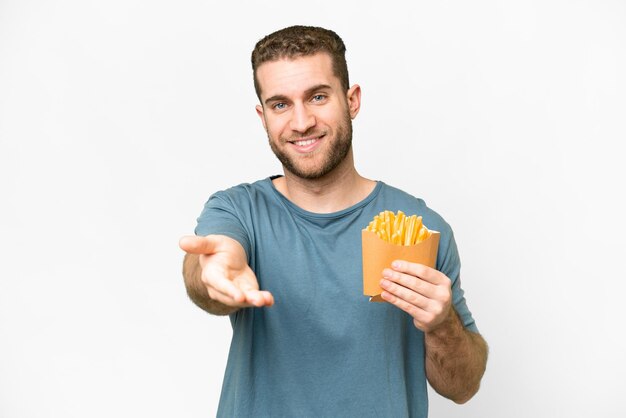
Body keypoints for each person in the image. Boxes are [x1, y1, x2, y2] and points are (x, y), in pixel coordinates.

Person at [179, 25, 488, 417]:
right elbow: (208, 264)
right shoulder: (237, 210)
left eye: (318, 97)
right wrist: (211, 272)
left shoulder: (419, 227)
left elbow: (463, 387)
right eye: (280, 105)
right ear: (263, 116)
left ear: (352, 100)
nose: (302, 121)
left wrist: (442, 324)